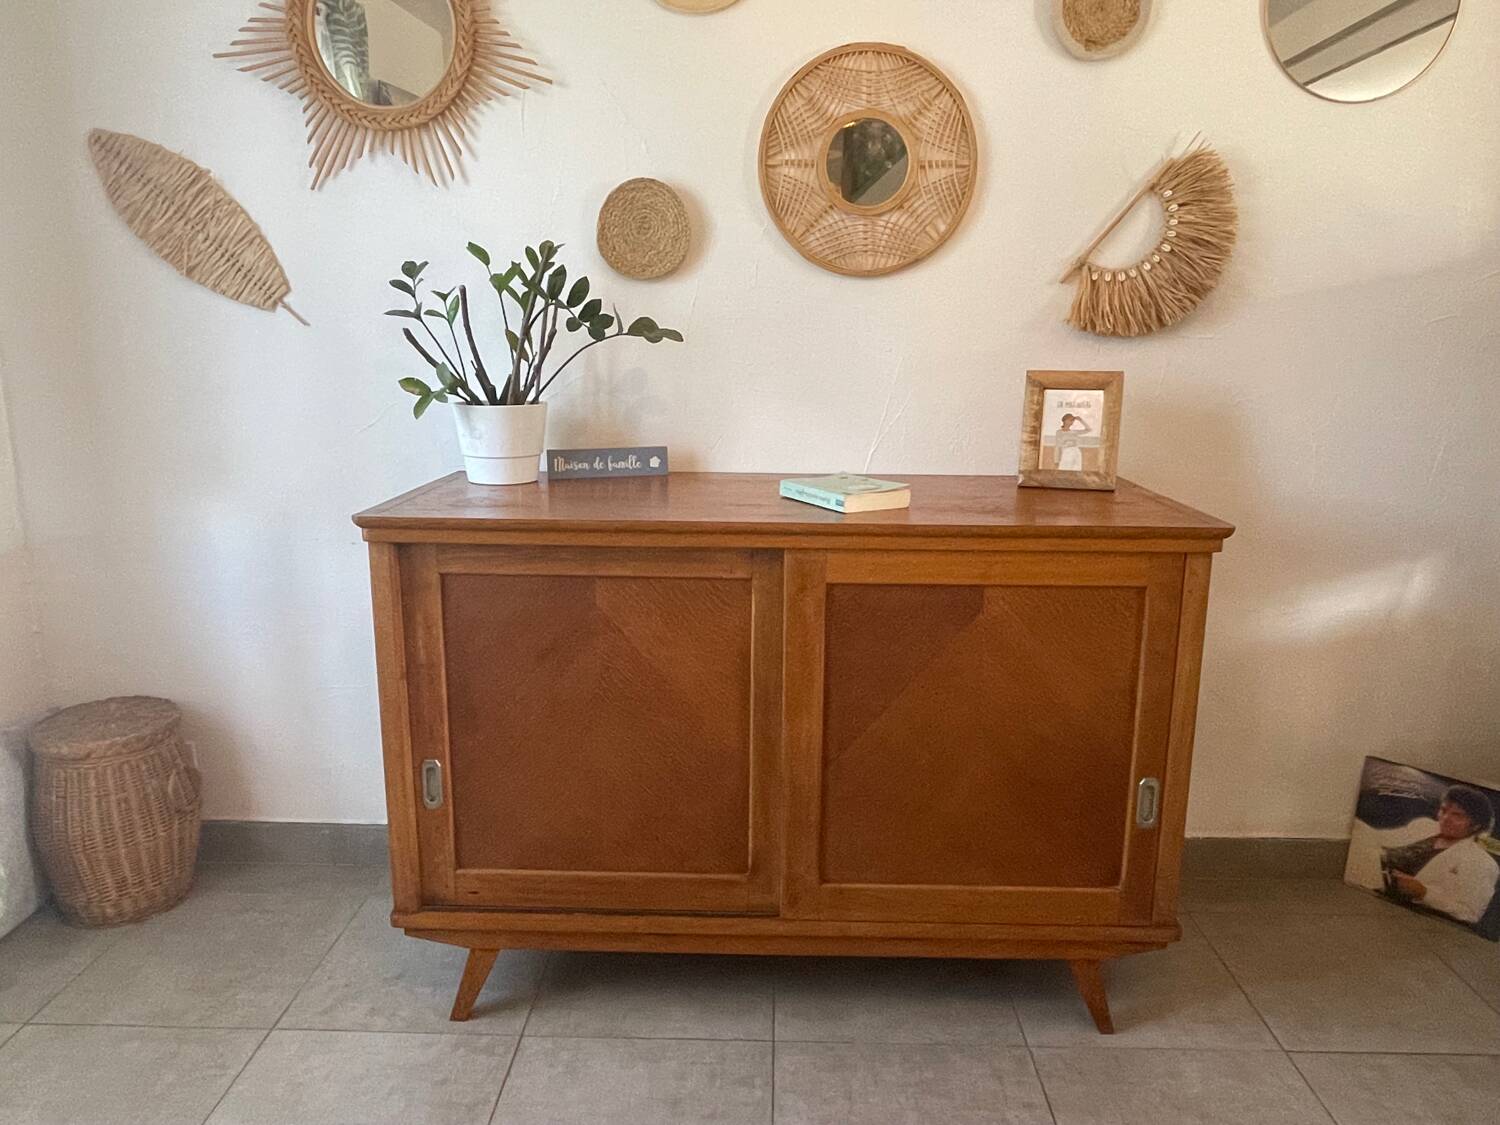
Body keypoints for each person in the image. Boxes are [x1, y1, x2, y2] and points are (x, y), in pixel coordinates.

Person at [1347, 785, 1499, 925]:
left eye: (1457, 815)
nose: (1445, 819)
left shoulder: (1481, 862)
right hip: (1366, 881)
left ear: (1476, 825)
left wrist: (1424, 892)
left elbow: (1471, 913)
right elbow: (1381, 838)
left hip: (1402, 914)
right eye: (1444, 810)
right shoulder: (1425, 825)